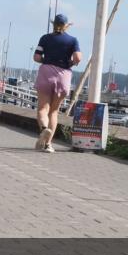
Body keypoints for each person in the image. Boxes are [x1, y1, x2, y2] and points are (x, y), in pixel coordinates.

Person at [33, 14, 82, 152]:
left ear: (53, 24)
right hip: (63, 75)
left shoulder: (45, 38)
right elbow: (78, 57)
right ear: (67, 26)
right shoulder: (73, 40)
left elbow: (36, 57)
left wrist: (47, 61)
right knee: (54, 112)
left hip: (46, 72)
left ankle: (44, 129)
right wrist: (71, 62)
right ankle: (48, 145)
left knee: (43, 109)